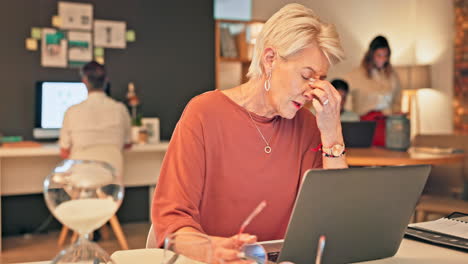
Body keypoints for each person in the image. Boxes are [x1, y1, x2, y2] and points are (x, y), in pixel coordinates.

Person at [152, 4, 347, 263]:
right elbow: (171, 221)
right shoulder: (203, 114)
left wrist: (333, 133)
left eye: (320, 80)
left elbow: (333, 219)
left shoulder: (310, 126)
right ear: (270, 59)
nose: (311, 92)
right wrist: (212, 250)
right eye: (306, 76)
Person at [59, 61, 132, 176]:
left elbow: (64, 152)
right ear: (106, 80)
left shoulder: (72, 112)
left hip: (81, 181)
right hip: (113, 183)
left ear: (84, 81)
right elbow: (128, 144)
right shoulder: (120, 109)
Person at [343, 35, 401, 116]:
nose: (383, 59)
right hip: (365, 122)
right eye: (379, 55)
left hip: (387, 121)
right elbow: (343, 93)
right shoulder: (356, 75)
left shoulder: (392, 75)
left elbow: (397, 100)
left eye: (385, 56)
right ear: (371, 55)